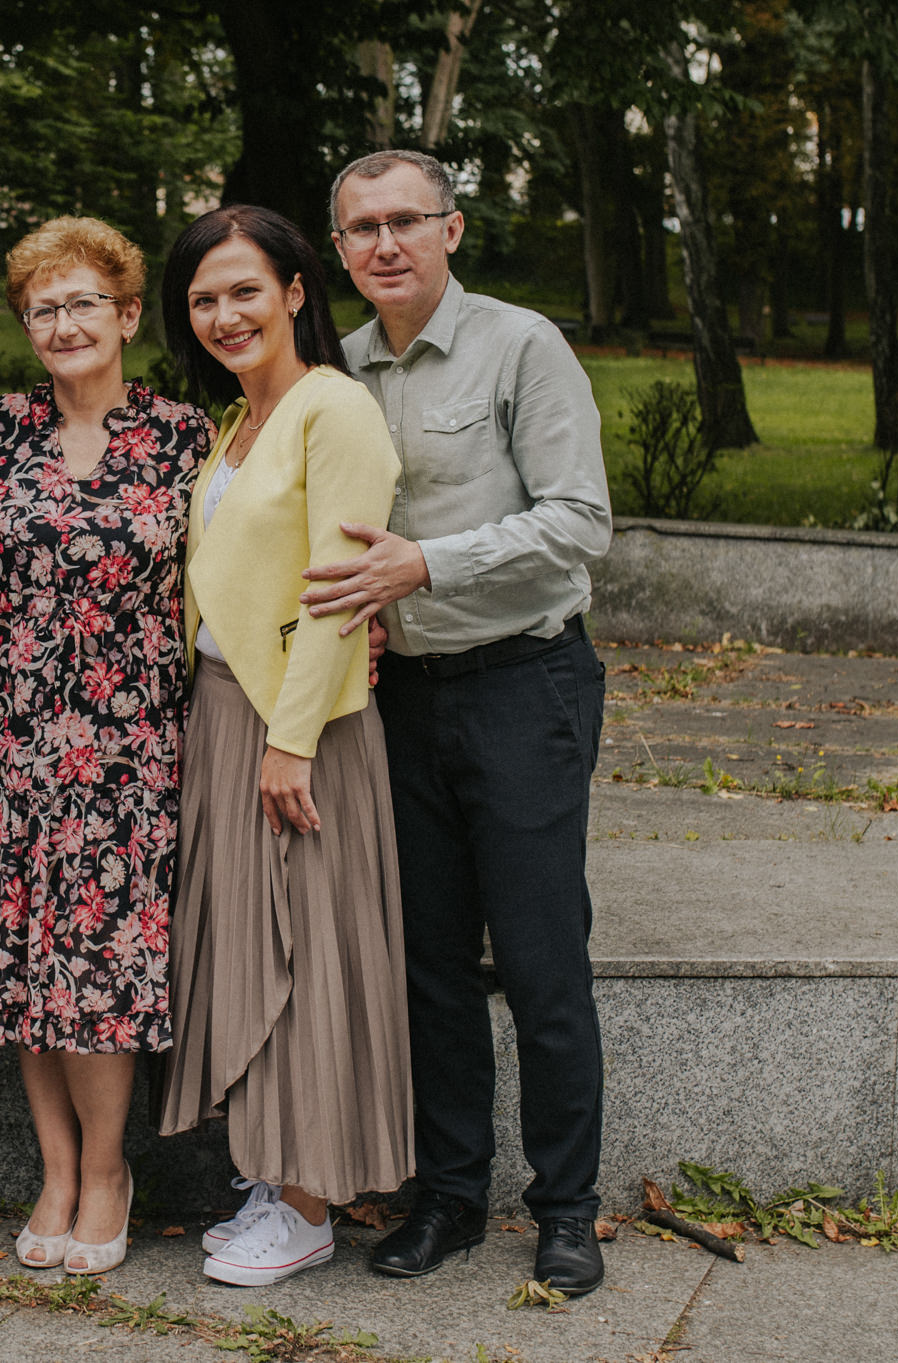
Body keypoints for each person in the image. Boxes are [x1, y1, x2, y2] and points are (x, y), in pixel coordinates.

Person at [300, 149, 613, 1295]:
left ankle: (565, 1208)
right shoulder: (332, 371)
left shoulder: (518, 346)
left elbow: (580, 521)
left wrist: (425, 563)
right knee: (426, 965)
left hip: (523, 685)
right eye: (360, 229)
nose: (383, 245)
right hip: (397, 701)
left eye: (404, 222)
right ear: (335, 250)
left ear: (451, 228)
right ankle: (449, 1198)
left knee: (539, 964)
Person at [156, 204, 411, 1289]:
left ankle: (308, 1200)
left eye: (242, 290)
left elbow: (336, 597)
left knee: (303, 948)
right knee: (250, 942)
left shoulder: (331, 408)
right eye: (202, 298)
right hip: (222, 710)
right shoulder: (232, 423)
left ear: (296, 291)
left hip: (296, 726)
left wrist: (293, 741)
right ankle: (268, 1173)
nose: (222, 314)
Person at [0, 217, 210, 1276]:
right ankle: (52, 1169)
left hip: (130, 743)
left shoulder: (185, 437)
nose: (61, 323)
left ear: (125, 316)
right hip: (17, 736)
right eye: (41, 307)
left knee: (100, 967)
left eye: (81, 304)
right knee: (26, 961)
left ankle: (107, 1171)